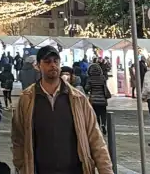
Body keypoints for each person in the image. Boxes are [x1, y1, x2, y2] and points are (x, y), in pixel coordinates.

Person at [11, 46, 114, 174]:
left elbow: (95, 138)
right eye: (47, 62)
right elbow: (18, 138)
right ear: (38, 66)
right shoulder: (27, 99)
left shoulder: (77, 98)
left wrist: (106, 170)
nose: (53, 65)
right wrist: (21, 165)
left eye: (56, 61)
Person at [85, 61, 111, 133]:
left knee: (95, 114)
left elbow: (87, 88)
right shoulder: (102, 78)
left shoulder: (90, 79)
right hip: (102, 99)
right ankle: (103, 124)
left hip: (94, 100)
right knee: (103, 113)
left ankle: (98, 127)